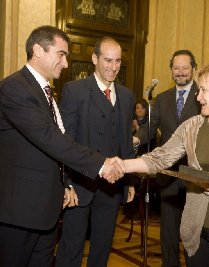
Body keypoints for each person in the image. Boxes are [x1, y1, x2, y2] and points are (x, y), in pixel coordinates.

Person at [0, 26, 125, 267]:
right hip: (17, 212)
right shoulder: (15, 88)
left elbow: (54, 147)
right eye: (61, 54)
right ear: (38, 50)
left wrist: (65, 185)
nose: (66, 63)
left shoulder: (45, 91)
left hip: (45, 212)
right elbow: (50, 139)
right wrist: (100, 164)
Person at [123, 58, 209, 267]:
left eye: (204, 90)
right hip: (196, 231)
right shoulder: (192, 127)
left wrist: (206, 182)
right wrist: (122, 165)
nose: (198, 97)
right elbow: (161, 157)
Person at [55, 36, 135, 267]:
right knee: (71, 247)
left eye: (118, 61)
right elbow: (65, 141)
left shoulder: (127, 96)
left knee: (102, 246)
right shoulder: (74, 91)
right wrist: (67, 183)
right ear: (94, 59)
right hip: (80, 185)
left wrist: (129, 181)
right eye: (107, 60)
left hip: (112, 187)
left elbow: (126, 143)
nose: (113, 66)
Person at [133, 49, 201, 267]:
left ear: (193, 68)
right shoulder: (161, 99)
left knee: (194, 227)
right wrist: (135, 140)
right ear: (171, 70)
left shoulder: (204, 95)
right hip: (168, 172)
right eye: (176, 68)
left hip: (195, 172)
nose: (180, 72)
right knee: (168, 227)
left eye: (185, 67)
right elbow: (150, 129)